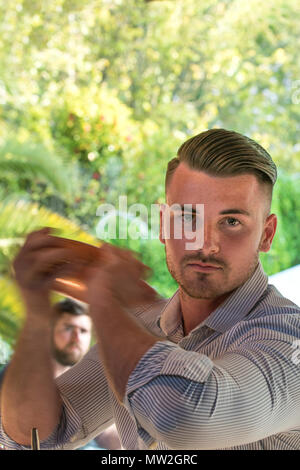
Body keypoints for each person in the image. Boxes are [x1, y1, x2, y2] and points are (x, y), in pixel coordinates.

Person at [0, 128, 300, 450]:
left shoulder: (288, 336)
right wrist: (36, 314)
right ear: (164, 224)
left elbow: (185, 419)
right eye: (187, 217)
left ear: (266, 234)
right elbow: (35, 436)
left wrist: (102, 296)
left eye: (231, 222)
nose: (206, 244)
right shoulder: (141, 328)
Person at [50, 298, 122, 450]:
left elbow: (106, 434)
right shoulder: (20, 379)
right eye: (69, 328)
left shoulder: (93, 381)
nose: (77, 338)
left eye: (83, 331)